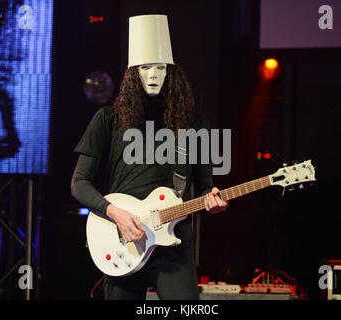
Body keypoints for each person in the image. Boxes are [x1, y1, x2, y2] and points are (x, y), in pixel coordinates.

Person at [71, 15, 228, 300]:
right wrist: (115, 213)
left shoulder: (194, 123)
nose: (153, 75)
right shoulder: (107, 119)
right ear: (133, 74)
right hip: (124, 240)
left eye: (160, 68)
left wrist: (212, 198)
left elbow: (205, 185)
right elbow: (79, 183)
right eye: (145, 68)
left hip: (173, 244)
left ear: (172, 74)